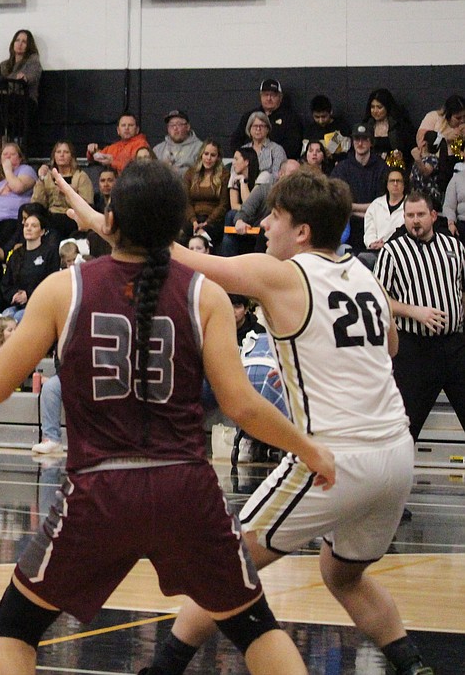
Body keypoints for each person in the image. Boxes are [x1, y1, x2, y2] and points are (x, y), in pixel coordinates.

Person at [0, 160, 336, 675]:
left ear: (109, 219)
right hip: (187, 490)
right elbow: (242, 405)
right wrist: (309, 450)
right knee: (254, 627)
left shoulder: (65, 289)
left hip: (99, 492)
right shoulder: (206, 294)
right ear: (177, 226)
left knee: (16, 629)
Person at [128, 168, 433, 675]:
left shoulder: (285, 274)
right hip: (396, 455)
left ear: (302, 231)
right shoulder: (365, 274)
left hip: (336, 457)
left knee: (223, 565)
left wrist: (116, 222)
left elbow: (181, 258)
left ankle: (162, 669)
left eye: (275, 216)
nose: (265, 224)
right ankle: (414, 666)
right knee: (343, 575)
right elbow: (392, 346)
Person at [374, 190, 465, 443]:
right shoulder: (392, 252)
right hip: (414, 350)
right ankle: (393, 481)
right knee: (405, 427)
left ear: (434, 216)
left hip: (454, 346)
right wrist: (414, 311)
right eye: (410, 215)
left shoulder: (454, 247)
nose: (415, 220)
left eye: (421, 215)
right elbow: (378, 299)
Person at [331, 123, 388, 252]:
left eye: (364, 139)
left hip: (375, 229)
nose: (360, 143)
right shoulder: (342, 168)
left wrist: (350, 208)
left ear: (371, 142)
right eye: (357, 139)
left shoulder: (382, 168)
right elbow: (336, 202)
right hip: (347, 229)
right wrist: (365, 210)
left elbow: (382, 206)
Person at [0, 210, 59, 322]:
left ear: (42, 231)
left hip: (40, 305)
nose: (29, 228)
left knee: (17, 319)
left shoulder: (50, 253)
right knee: (2, 320)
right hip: (17, 305)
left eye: (34, 226)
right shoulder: (16, 254)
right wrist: (14, 295)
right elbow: (5, 284)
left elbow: (51, 282)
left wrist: (28, 294)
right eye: (26, 225)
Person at [0, 141, 38, 247]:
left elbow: (18, 188)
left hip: (12, 219)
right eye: (5, 154)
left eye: (12, 154)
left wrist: (7, 170)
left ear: (20, 158)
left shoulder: (26, 170)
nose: (8, 157)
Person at [230, 78, 303, 161]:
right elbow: (235, 141)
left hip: (279, 162)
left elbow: (293, 146)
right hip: (249, 162)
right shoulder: (249, 116)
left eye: (273, 95)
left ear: (280, 97)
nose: (269, 98)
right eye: (265, 94)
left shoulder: (291, 119)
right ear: (260, 96)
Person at [33, 140, 91, 238]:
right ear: (54, 156)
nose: (62, 155)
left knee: (57, 222)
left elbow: (87, 203)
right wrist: (41, 179)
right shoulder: (47, 176)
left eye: (66, 152)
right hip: (51, 214)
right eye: (58, 152)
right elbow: (37, 202)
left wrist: (67, 193)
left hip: (71, 215)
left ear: (71, 156)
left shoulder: (81, 176)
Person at [360, 167, 408, 267]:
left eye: (398, 181)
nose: (395, 184)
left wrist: (386, 245)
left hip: (400, 253)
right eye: (392, 181)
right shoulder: (376, 204)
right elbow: (369, 230)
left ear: (404, 184)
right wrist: (372, 243)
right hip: (375, 252)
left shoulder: (410, 205)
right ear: (386, 184)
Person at [183, 139, 228, 243]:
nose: (208, 158)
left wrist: (207, 222)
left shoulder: (224, 175)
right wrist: (194, 221)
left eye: (213, 155)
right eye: (206, 154)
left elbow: (223, 204)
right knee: (186, 231)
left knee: (203, 236)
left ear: (218, 158)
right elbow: (186, 201)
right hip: (192, 219)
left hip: (214, 220)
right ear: (201, 155)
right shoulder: (190, 173)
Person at [363, 87, 415, 161]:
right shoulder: (366, 126)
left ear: (387, 107)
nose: (375, 111)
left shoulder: (399, 127)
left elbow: (409, 151)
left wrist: (401, 156)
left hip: (393, 167)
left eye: (379, 107)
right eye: (372, 107)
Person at [300, 94, 349, 162]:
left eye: (324, 116)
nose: (320, 121)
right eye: (317, 117)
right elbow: (304, 154)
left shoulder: (341, 127)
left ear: (331, 112)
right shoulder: (310, 130)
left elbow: (348, 153)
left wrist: (333, 156)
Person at [153, 109, 204, 175]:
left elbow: (203, 173)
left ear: (188, 127)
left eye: (179, 124)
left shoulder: (200, 148)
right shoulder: (158, 149)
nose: (175, 128)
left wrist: (178, 171)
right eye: (171, 125)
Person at [0, 29, 42, 103]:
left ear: (29, 46)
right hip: (7, 100)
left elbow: (33, 75)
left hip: (26, 101)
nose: (20, 44)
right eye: (17, 40)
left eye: (24, 42)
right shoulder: (4, 64)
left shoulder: (33, 61)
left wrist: (25, 77)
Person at [240, 111, 288, 180]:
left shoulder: (277, 149)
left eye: (262, 126)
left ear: (267, 129)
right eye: (255, 126)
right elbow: (235, 171)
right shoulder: (243, 150)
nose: (258, 129)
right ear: (249, 129)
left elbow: (277, 176)